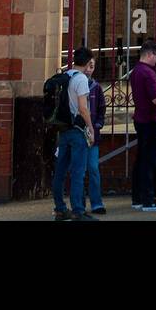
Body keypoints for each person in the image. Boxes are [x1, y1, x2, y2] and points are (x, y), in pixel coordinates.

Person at [51, 47, 96, 221]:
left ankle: (60, 209)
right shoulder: (82, 80)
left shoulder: (66, 75)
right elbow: (83, 108)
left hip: (63, 129)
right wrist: (91, 128)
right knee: (78, 172)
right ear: (86, 63)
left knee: (60, 171)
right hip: (77, 130)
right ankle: (78, 210)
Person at [129, 39, 156, 211]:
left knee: (141, 159)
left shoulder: (136, 71)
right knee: (149, 160)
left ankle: (137, 197)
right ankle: (149, 199)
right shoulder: (149, 73)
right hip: (151, 120)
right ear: (150, 54)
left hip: (140, 118)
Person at [85, 57, 107, 215]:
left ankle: (96, 203)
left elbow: (101, 109)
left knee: (93, 168)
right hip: (78, 133)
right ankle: (78, 204)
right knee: (78, 170)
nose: (88, 69)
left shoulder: (96, 87)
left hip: (93, 135)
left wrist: (98, 125)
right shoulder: (73, 84)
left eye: (91, 66)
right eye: (86, 66)